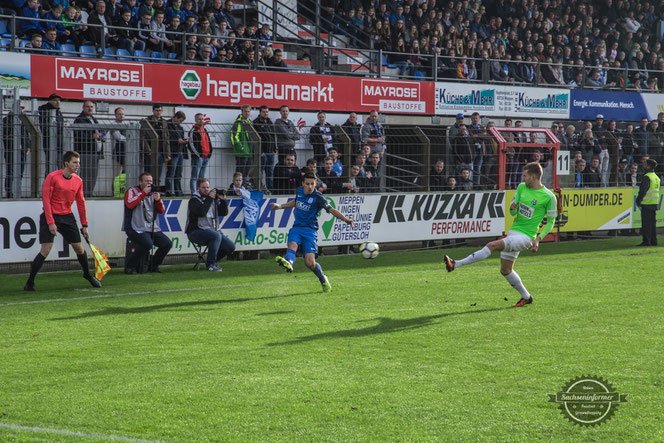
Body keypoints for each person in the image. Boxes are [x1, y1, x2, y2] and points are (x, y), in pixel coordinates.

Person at [443, 162, 558, 307]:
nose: (523, 178)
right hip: (514, 231)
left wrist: (538, 239)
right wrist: (513, 208)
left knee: (492, 245)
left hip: (526, 237)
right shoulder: (522, 187)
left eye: (525, 175)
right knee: (505, 270)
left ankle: (455, 264)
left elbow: (551, 222)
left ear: (534, 177)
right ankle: (526, 297)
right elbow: (512, 212)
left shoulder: (549, 197)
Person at [24, 151, 102, 291]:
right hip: (52, 216)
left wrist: (85, 225)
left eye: (78, 162)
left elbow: (81, 203)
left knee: (79, 248)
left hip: (67, 216)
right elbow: (46, 201)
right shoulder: (52, 177)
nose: (77, 165)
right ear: (66, 163)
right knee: (45, 250)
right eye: (75, 162)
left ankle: (87, 275)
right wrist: (50, 222)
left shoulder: (78, 180)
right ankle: (30, 282)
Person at [271, 172, 355, 292]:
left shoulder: (318, 197)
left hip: (310, 231)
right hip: (297, 227)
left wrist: (346, 219)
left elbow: (331, 210)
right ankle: (289, 262)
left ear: (315, 184)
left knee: (309, 263)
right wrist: (279, 206)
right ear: (303, 184)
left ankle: (323, 279)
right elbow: (295, 202)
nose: (310, 186)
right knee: (292, 245)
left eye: (312, 184)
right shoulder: (299, 191)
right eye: (307, 184)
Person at [123, 172, 172, 273]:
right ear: (140, 182)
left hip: (152, 227)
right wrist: (143, 193)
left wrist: (158, 200)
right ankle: (130, 266)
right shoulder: (132, 191)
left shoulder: (153, 193)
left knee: (167, 244)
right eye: (147, 181)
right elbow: (130, 204)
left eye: (151, 181)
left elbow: (161, 210)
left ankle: (153, 265)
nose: (149, 183)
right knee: (147, 243)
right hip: (135, 227)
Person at [186, 178, 235, 271]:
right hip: (195, 231)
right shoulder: (194, 200)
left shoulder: (212, 199)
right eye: (203, 187)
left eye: (208, 187)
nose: (206, 189)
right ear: (198, 188)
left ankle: (213, 261)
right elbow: (201, 212)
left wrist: (223, 201)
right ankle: (211, 264)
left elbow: (223, 213)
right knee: (216, 235)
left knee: (230, 247)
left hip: (211, 230)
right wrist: (209, 198)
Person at [73, 101, 105, 197]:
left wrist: (101, 137)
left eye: (91, 107)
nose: (90, 108)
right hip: (85, 152)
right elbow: (78, 135)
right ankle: (84, 194)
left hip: (95, 152)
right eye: (87, 107)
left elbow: (98, 132)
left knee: (93, 175)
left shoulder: (93, 119)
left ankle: (89, 193)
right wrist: (92, 136)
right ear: (83, 107)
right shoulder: (79, 120)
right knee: (86, 175)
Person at [2, 105, 30, 199]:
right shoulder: (6, 120)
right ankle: (9, 194)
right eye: (19, 107)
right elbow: (5, 136)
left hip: (23, 151)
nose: (21, 109)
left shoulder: (23, 120)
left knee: (20, 173)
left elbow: (27, 134)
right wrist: (15, 144)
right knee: (10, 173)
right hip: (11, 151)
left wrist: (28, 146)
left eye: (22, 107)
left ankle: (17, 192)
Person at [140, 103, 170, 184]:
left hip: (160, 152)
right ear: (153, 111)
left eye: (160, 110)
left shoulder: (164, 122)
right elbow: (142, 137)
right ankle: (146, 191)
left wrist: (167, 153)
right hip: (150, 152)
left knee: (158, 175)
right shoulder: (147, 121)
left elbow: (166, 139)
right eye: (157, 110)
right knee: (148, 174)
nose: (158, 112)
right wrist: (148, 151)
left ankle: (156, 192)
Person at [38, 93, 65, 176]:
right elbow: (46, 128)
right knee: (50, 166)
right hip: (50, 143)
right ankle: (48, 185)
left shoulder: (58, 113)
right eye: (55, 100)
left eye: (59, 100)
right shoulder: (45, 112)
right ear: (50, 101)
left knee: (60, 166)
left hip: (59, 143)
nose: (58, 102)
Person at [635, 159, 660, 246]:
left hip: (647, 203)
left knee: (646, 224)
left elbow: (643, 190)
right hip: (654, 203)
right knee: (652, 223)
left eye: (645, 163)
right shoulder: (656, 177)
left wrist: (638, 200)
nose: (643, 165)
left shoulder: (647, 177)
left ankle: (647, 241)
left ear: (649, 166)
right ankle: (654, 240)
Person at [253, 105, 276, 191]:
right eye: (263, 112)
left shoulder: (269, 122)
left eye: (267, 112)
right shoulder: (256, 122)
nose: (265, 113)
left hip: (271, 151)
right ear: (260, 112)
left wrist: (274, 149)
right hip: (262, 152)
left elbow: (273, 136)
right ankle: (260, 188)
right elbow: (255, 138)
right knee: (260, 172)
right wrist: (260, 151)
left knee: (270, 173)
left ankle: (270, 189)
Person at [188, 113, 212, 194]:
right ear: (195, 120)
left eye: (202, 119)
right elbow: (191, 144)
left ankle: (202, 193)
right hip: (198, 158)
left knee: (201, 178)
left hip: (206, 157)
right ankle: (194, 193)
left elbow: (209, 142)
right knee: (194, 177)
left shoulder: (205, 130)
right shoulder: (193, 130)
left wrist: (209, 153)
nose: (201, 120)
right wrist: (198, 155)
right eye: (199, 119)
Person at [166, 110, 188, 196]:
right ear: (175, 117)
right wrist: (177, 140)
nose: (180, 123)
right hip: (172, 152)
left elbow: (181, 139)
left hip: (180, 152)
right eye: (180, 120)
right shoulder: (167, 125)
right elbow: (165, 139)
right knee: (171, 173)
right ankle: (169, 191)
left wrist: (184, 141)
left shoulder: (180, 128)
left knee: (178, 174)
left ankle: (178, 191)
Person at [231, 104, 254, 182]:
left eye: (248, 111)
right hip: (242, 152)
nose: (247, 113)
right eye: (245, 111)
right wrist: (241, 148)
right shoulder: (238, 122)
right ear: (242, 112)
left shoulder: (250, 122)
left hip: (249, 152)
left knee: (245, 174)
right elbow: (234, 137)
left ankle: (243, 188)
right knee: (239, 174)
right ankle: (236, 189)